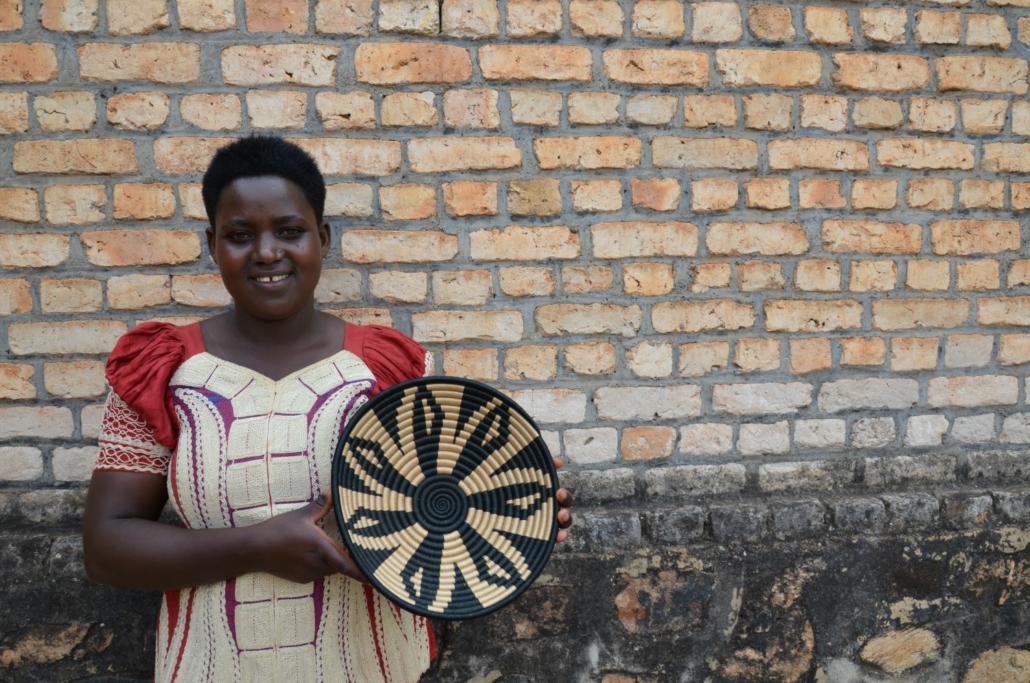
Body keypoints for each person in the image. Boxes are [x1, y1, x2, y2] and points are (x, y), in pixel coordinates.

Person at [83, 136, 573, 683]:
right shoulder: (164, 370)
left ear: (322, 238)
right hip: (213, 665)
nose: (266, 252)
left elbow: (438, 515)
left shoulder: (389, 369)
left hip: (369, 664)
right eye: (240, 236)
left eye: (289, 231)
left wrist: (513, 513)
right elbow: (106, 548)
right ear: (212, 245)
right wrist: (257, 546)